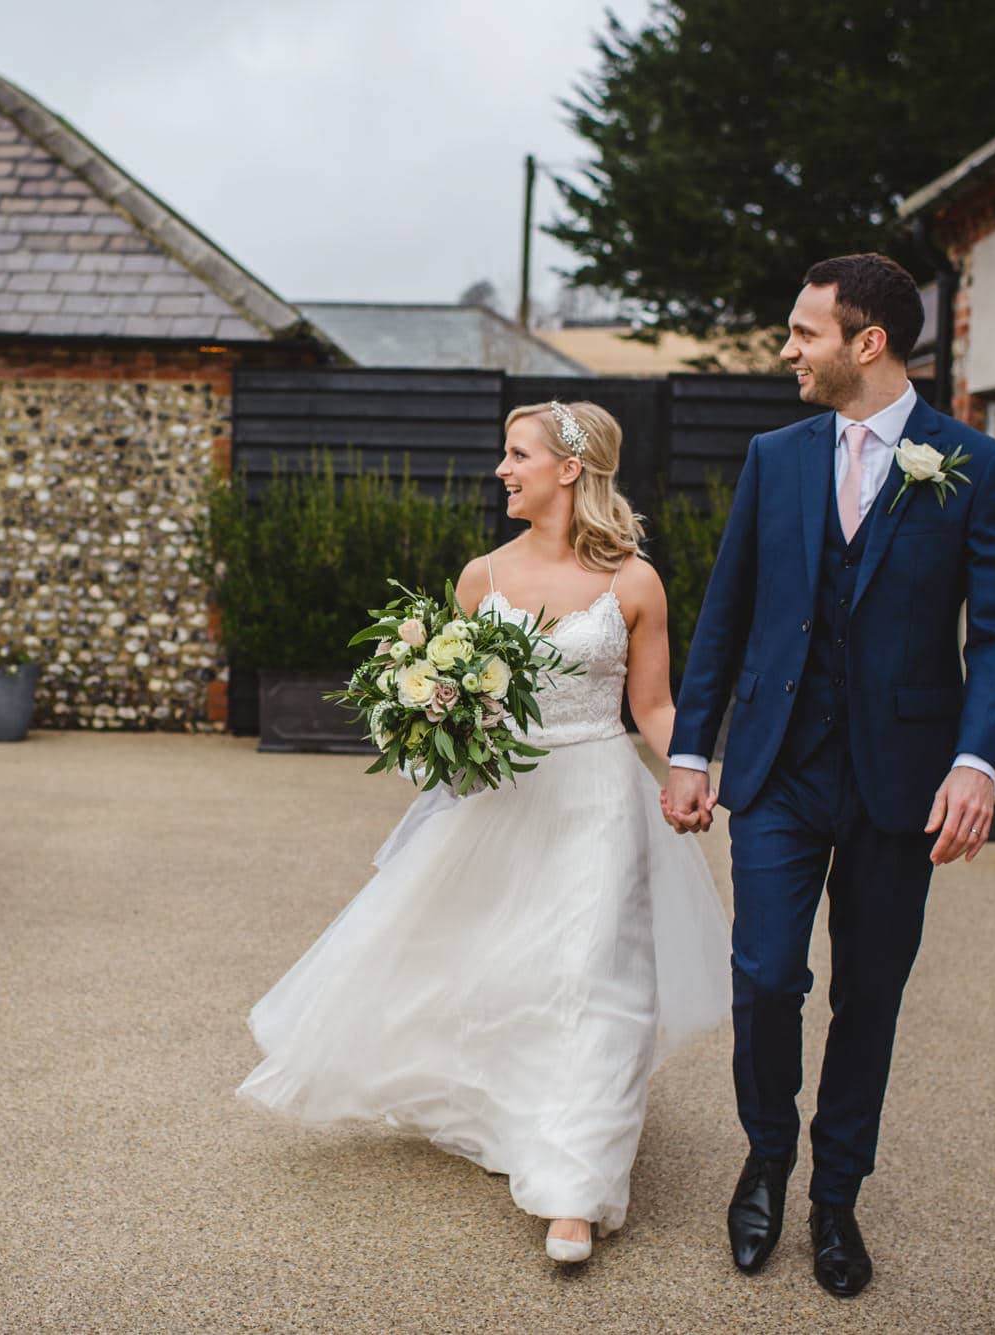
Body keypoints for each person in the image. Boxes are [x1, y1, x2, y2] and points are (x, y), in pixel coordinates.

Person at [238, 401, 731, 1266]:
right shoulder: (481, 577)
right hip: (501, 795)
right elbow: (456, 695)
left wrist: (692, 766)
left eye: (517, 454)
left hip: (596, 796)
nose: (501, 469)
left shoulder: (636, 583)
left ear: (569, 469)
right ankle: (510, 1111)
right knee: (498, 964)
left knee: (595, 975)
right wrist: (424, 721)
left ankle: (575, 1189)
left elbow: (651, 704)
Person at [662, 254, 995, 1298]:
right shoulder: (774, 456)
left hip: (901, 778)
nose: (787, 349)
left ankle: (836, 1198)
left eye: (802, 332)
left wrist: (975, 761)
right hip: (779, 766)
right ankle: (766, 1159)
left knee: (868, 993)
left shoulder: (971, 464)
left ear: (865, 344)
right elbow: (726, 611)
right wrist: (692, 748)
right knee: (766, 974)